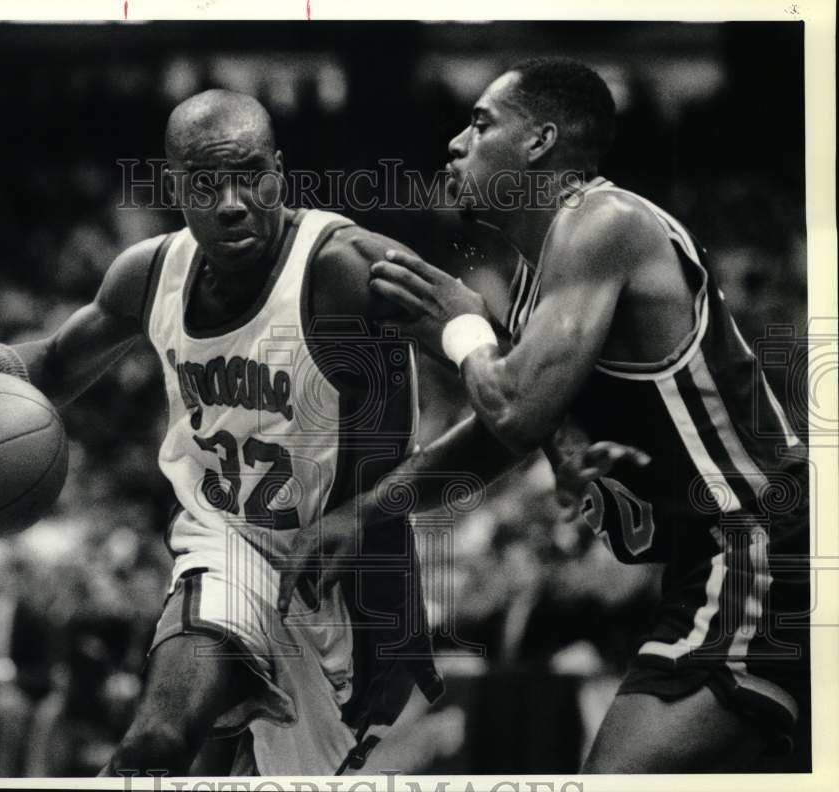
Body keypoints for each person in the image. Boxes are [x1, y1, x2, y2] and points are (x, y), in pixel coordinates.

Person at [0, 89, 619, 776]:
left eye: (250, 178)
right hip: (226, 541)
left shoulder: (343, 268)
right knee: (154, 740)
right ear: (174, 189)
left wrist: (556, 445)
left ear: (279, 173)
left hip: (344, 580)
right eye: (205, 185)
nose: (233, 204)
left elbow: (516, 382)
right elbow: (47, 364)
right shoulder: (148, 275)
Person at [280, 58, 810, 773]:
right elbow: (502, 438)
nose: (455, 144)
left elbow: (518, 413)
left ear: (539, 142)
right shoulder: (547, 269)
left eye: (480, 122)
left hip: (759, 540)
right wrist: (370, 512)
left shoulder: (604, 221)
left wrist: (462, 329)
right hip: (714, 556)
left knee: (613, 779)